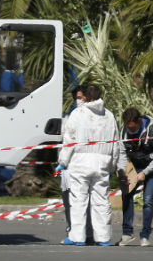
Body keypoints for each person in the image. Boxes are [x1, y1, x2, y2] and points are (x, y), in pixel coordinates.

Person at [57, 85, 124, 247]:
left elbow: (69, 140)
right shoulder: (109, 116)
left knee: (78, 200)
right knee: (101, 201)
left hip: (80, 162)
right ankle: (103, 237)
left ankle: (77, 237)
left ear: (85, 97)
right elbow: (116, 143)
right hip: (102, 162)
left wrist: (63, 162)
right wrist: (112, 165)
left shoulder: (78, 114)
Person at [118, 108, 153, 247]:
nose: (130, 131)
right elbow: (121, 154)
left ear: (139, 121)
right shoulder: (124, 132)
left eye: (133, 128)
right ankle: (127, 233)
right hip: (134, 167)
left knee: (148, 200)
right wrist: (122, 173)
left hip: (152, 167)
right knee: (126, 196)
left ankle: (145, 235)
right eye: (128, 128)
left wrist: (145, 172)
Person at [57, 85, 93, 243]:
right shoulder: (69, 116)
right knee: (68, 200)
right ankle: (73, 230)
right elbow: (66, 140)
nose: (79, 101)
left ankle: (89, 233)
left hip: (84, 164)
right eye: (76, 98)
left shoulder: (97, 117)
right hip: (67, 167)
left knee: (87, 201)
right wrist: (62, 163)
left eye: (81, 97)